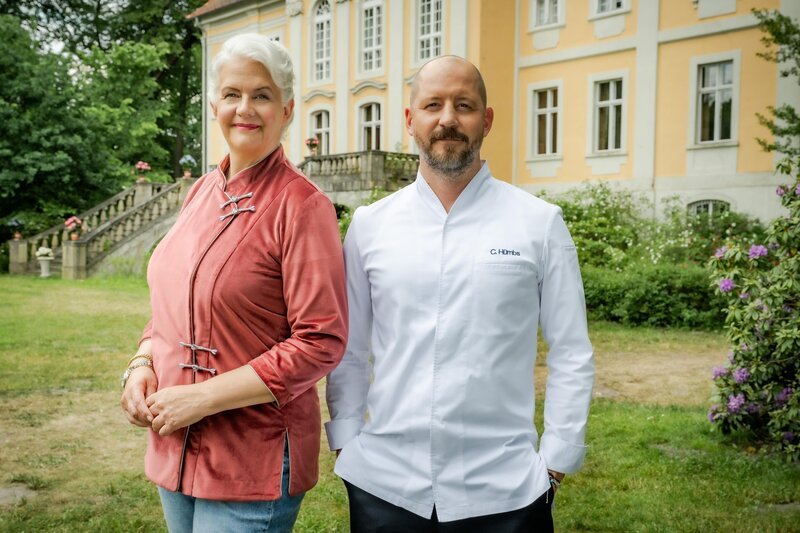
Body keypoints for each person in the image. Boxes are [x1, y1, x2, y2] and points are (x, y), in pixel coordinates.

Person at [325, 55, 594, 531]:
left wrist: (554, 460)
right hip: (386, 485)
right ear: (411, 120)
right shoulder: (370, 226)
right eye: (433, 104)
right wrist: (346, 438)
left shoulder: (539, 224)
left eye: (464, 105)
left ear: (486, 120)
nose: (447, 119)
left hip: (505, 489)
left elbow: (571, 351)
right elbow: (349, 347)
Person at [119, 33, 348, 532]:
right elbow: (174, 305)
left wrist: (201, 398)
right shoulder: (200, 191)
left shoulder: (303, 207)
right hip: (174, 446)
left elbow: (320, 341)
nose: (245, 108)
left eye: (261, 95)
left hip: (254, 457)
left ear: (287, 110)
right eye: (232, 94)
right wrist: (141, 363)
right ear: (215, 105)